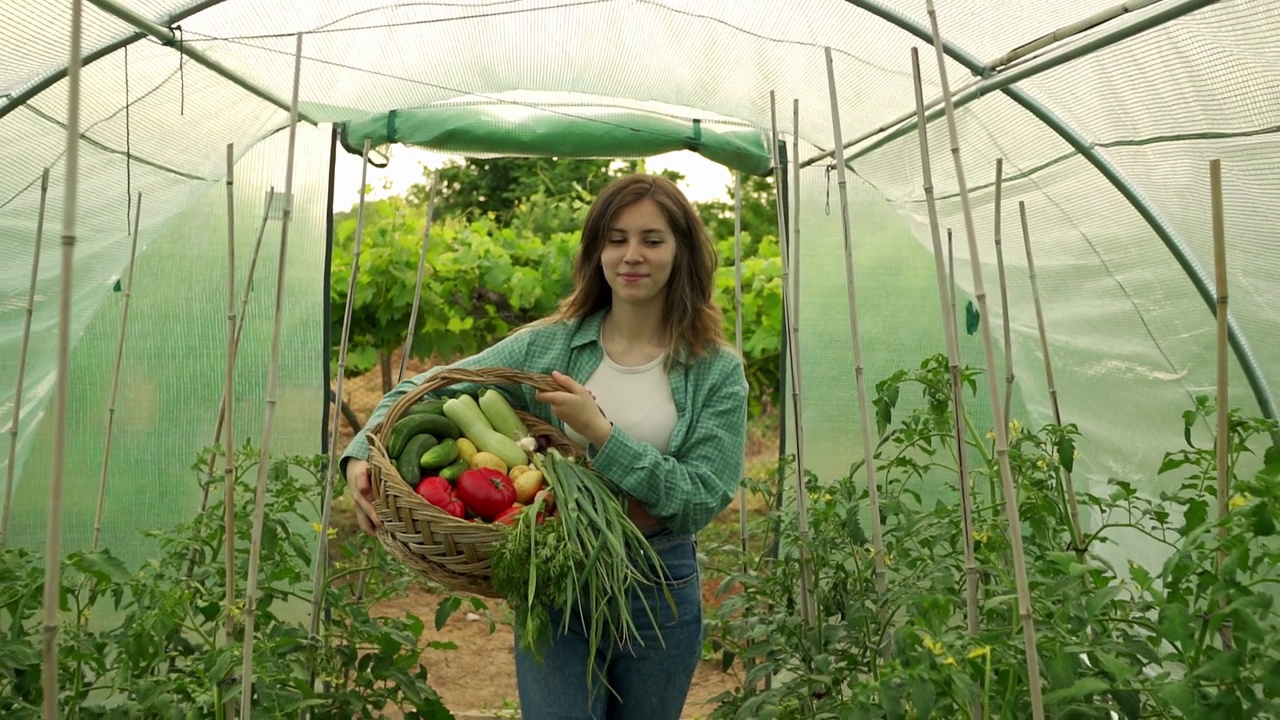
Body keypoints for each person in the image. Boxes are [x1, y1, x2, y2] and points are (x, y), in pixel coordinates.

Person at [341, 172, 749, 719]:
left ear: (681, 252)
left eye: (652, 240)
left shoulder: (715, 371)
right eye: (616, 238)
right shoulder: (554, 343)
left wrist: (603, 434)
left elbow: (701, 497)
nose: (632, 255)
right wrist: (360, 451)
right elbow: (434, 381)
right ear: (597, 250)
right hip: (559, 576)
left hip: (657, 582)